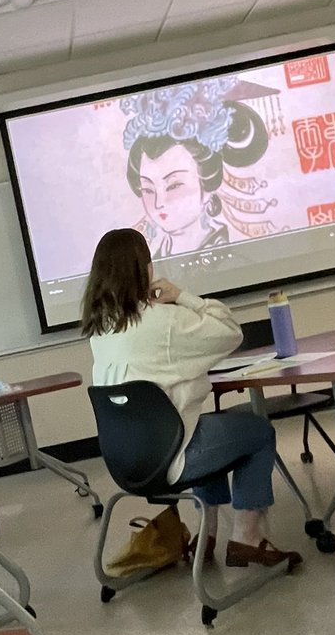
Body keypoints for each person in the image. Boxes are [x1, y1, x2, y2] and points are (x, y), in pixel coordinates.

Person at [83, 227, 302, 570]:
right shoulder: (163, 321)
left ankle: (208, 531)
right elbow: (230, 332)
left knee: (199, 426)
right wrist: (182, 296)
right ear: (146, 270)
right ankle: (248, 536)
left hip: (126, 465)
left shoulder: (102, 330)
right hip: (171, 458)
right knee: (258, 432)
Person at [121, 79, 271, 258]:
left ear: (207, 187)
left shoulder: (236, 262)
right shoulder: (151, 268)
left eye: (174, 186)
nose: (158, 203)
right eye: (147, 189)